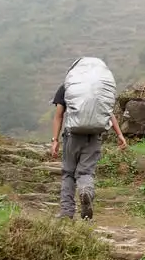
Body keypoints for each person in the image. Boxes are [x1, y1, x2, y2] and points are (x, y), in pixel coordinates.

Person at [51, 81, 128, 220]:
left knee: (68, 173)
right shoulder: (98, 88)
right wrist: (119, 134)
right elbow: (109, 113)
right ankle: (86, 190)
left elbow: (59, 115)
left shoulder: (66, 87)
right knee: (86, 172)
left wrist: (55, 140)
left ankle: (67, 212)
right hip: (93, 137)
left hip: (72, 136)